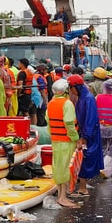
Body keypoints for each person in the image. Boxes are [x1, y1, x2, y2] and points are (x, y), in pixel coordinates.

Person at [47, 79, 80, 208]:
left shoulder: (51, 103)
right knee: (66, 168)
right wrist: (76, 139)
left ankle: (61, 195)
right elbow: (69, 123)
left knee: (58, 167)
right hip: (66, 140)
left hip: (56, 140)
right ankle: (62, 197)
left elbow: (48, 122)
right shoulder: (67, 104)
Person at [67, 74, 101, 197]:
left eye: (71, 88)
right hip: (85, 132)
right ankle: (82, 186)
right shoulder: (82, 97)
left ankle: (83, 188)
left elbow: (90, 120)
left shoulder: (88, 99)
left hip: (89, 134)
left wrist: (84, 137)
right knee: (82, 159)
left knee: (85, 159)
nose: (71, 91)